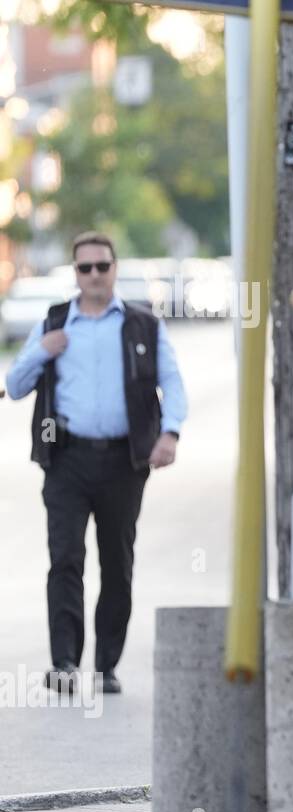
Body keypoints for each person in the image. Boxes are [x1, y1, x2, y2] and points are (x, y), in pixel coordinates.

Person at [4, 231, 187, 696]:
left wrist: (169, 434)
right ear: (75, 273)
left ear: (114, 269)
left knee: (117, 561)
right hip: (66, 458)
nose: (94, 276)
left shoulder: (143, 325)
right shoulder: (55, 322)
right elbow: (16, 384)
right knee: (65, 557)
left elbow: (172, 383)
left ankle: (107, 665)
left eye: (101, 267)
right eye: (85, 268)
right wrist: (44, 350)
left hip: (124, 461)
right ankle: (64, 661)